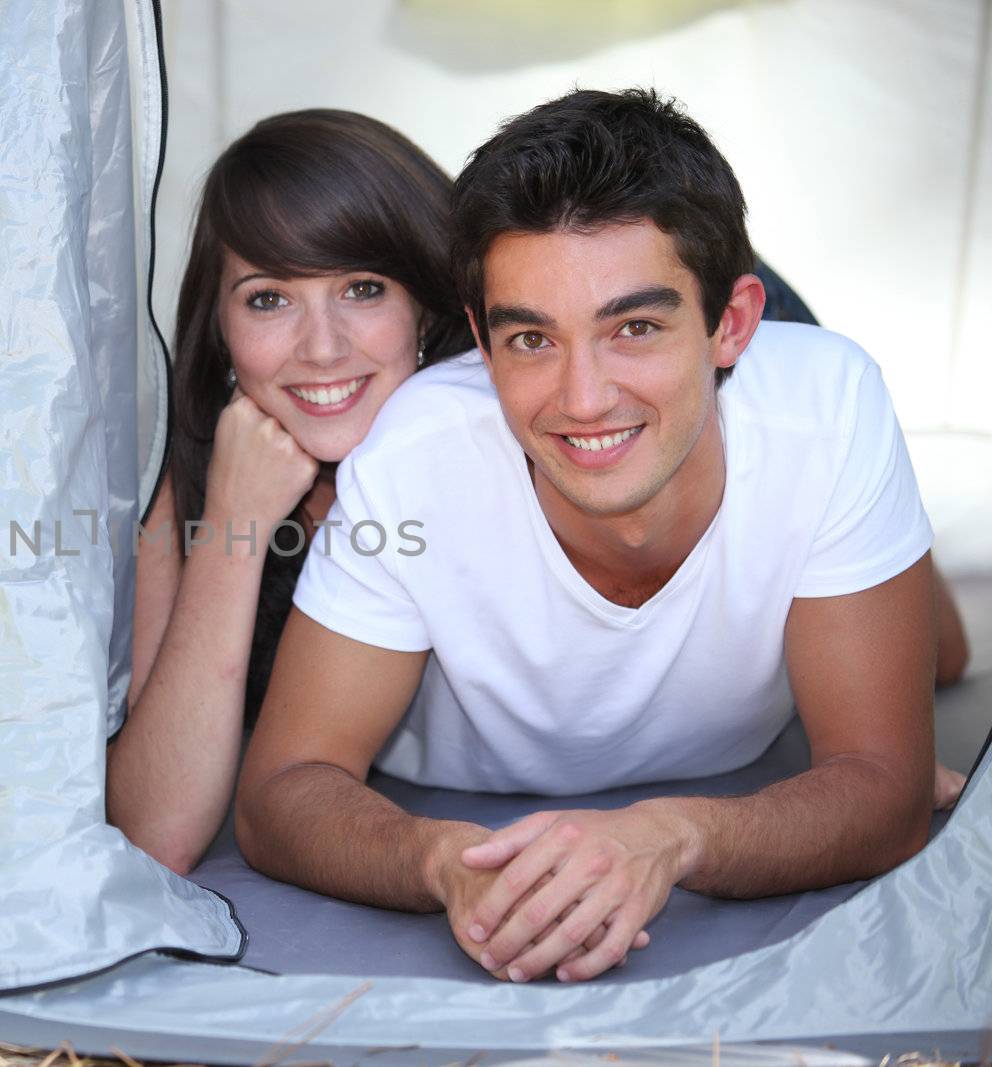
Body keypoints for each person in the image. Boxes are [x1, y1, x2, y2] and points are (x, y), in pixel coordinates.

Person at [233, 88, 968, 986]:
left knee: (945, 653)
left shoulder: (832, 398)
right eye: (532, 338)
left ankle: (870, 528)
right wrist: (445, 862)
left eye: (635, 327)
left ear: (733, 323)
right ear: (478, 340)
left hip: (776, 409)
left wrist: (674, 835)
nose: (583, 398)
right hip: (454, 746)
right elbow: (280, 791)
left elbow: (886, 791)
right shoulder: (417, 447)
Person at [105, 110, 473, 875]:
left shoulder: (501, 434)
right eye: (269, 298)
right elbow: (156, 829)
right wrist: (234, 528)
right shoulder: (192, 463)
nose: (323, 347)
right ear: (221, 331)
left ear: (426, 308)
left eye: (363, 288)